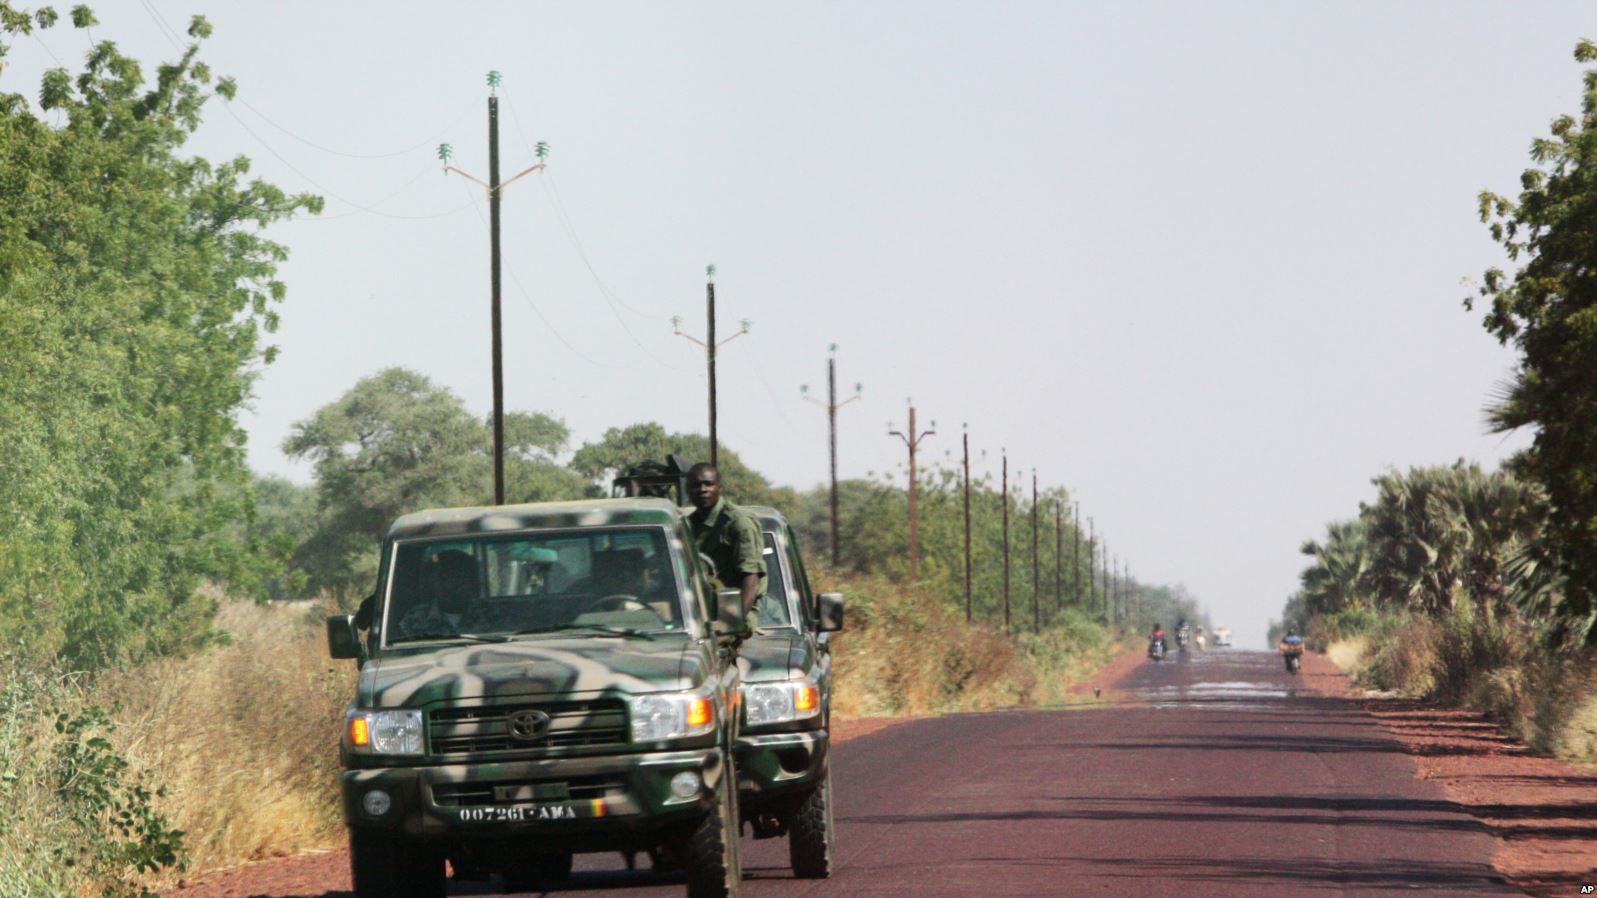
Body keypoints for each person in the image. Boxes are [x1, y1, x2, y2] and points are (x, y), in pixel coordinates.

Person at [685, 462, 766, 638]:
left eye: (708, 484)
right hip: (697, 611)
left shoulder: (738, 523)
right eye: (696, 485)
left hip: (735, 611)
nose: (702, 489)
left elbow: (751, 580)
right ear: (687, 491)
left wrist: (731, 623)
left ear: (719, 488)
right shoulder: (686, 526)